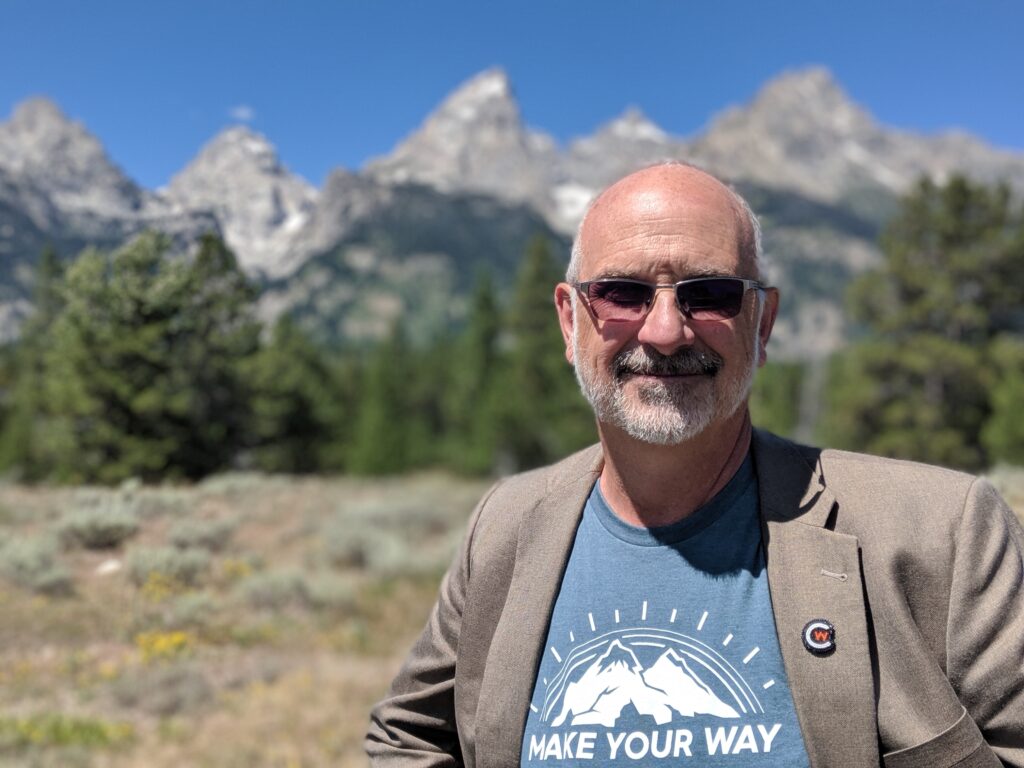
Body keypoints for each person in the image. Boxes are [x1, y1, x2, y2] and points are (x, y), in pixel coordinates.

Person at [366, 163, 1024, 767]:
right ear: (569, 323)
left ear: (761, 326)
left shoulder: (944, 533)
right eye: (622, 293)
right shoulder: (506, 525)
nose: (664, 330)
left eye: (708, 294)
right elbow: (408, 738)